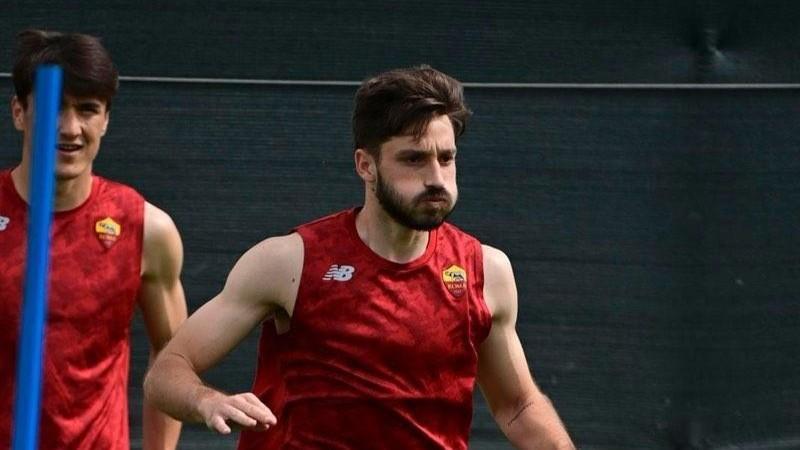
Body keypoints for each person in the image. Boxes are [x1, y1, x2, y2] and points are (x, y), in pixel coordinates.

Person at [144, 65, 575, 449]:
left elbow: (517, 406)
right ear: (365, 166)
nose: (437, 178)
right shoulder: (289, 263)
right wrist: (207, 400)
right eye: (414, 159)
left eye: (447, 158)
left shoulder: (486, 271)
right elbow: (168, 371)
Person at [0, 29, 187, 449]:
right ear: (19, 112)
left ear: (105, 119)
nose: (70, 128)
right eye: (54, 108)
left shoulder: (146, 228)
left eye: (87, 109)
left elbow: (174, 358)